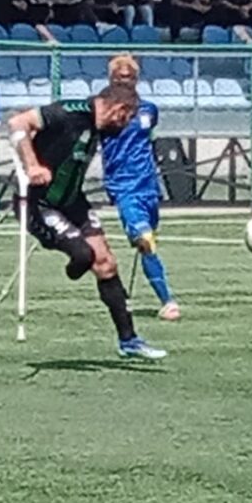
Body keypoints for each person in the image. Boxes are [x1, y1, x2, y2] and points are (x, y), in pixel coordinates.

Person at [6, 84, 166, 359]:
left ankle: (129, 340)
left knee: (106, 263)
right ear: (119, 109)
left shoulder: (99, 127)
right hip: (40, 205)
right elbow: (17, 122)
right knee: (84, 256)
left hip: (73, 202)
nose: (125, 124)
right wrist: (32, 164)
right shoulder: (70, 113)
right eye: (126, 118)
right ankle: (75, 259)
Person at [103, 54, 179, 320]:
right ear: (111, 80)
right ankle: (168, 301)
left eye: (130, 78)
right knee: (144, 239)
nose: (126, 82)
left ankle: (122, 296)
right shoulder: (103, 110)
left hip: (148, 185)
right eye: (120, 78)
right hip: (123, 187)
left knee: (148, 244)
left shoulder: (148, 109)